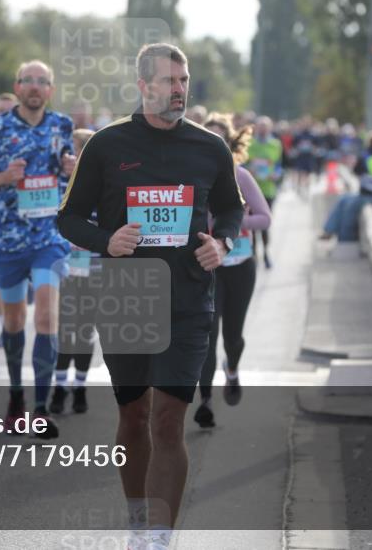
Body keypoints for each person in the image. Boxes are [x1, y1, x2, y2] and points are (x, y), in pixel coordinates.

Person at [57, 43, 243, 548]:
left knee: (168, 418)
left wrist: (221, 243)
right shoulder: (106, 145)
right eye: (169, 81)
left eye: (184, 80)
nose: (179, 89)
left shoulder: (210, 148)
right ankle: (138, 519)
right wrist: (105, 240)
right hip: (126, 295)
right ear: (143, 86)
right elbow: (68, 217)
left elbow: (231, 207)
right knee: (134, 415)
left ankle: (157, 538)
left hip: (187, 298)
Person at [0, 60, 76, 439]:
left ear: (51, 89)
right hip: (8, 240)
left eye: (42, 81)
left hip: (49, 238)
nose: (34, 86)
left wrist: (70, 168)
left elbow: (70, 174)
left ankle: (42, 408)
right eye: (28, 80)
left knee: (45, 316)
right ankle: (16, 396)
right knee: (14, 321)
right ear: (17, 86)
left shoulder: (62, 125)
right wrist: (3, 178)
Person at [193, 115, 271, 429]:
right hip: (208, 268)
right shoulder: (192, 178)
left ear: (228, 145)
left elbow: (265, 218)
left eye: (219, 140)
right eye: (206, 138)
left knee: (233, 336)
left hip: (240, 266)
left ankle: (233, 369)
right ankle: (206, 402)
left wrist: (231, 222)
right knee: (207, 335)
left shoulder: (241, 176)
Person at [50, 128, 96, 415]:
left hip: (93, 266)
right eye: (68, 151)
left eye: (76, 151)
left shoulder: (102, 184)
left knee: (85, 329)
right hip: (62, 265)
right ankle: (59, 386)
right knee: (64, 328)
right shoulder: (55, 184)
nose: (71, 157)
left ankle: (80, 387)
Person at [320, 130, 372, 242]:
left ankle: (337, 236)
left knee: (346, 207)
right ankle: (330, 232)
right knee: (345, 200)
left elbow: (356, 172)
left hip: (367, 196)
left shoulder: (365, 157)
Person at [247, 116, 283, 268]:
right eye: (260, 126)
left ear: (270, 128)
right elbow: (242, 164)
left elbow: (281, 165)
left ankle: (266, 253)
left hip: (268, 190)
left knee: (265, 224)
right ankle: (254, 254)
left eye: (265, 126)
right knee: (253, 224)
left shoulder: (275, 144)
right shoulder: (249, 144)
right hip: (251, 189)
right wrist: (250, 170)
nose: (262, 129)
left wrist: (277, 174)